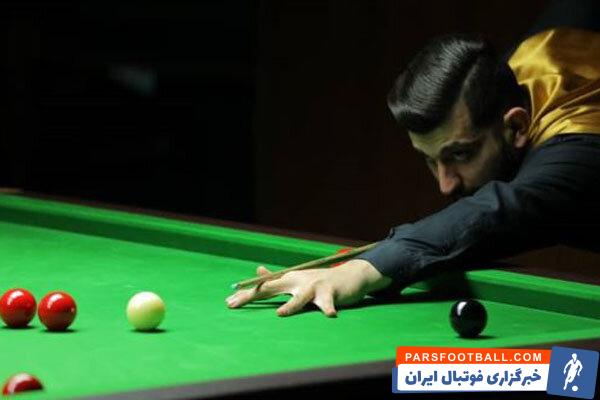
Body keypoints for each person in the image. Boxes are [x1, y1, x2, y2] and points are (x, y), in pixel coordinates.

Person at [226, 1, 600, 318]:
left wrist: (361, 270)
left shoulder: (579, 153)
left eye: (461, 154)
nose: (445, 185)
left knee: (571, 375)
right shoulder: (537, 54)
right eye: (429, 160)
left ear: (516, 127)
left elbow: (499, 209)